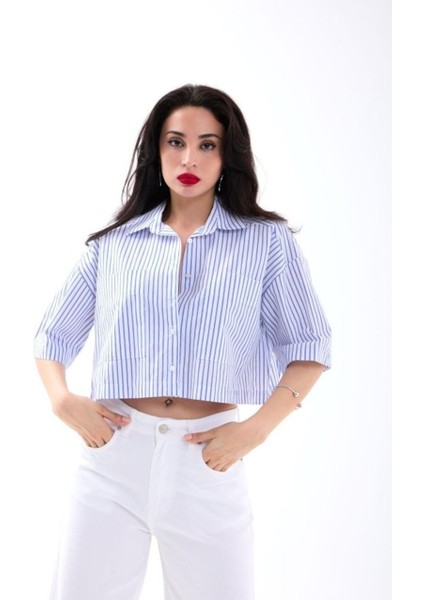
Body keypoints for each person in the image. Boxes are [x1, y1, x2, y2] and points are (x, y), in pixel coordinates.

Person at [33, 83, 332, 600]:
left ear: (227, 155)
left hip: (208, 460)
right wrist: (61, 400)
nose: (189, 158)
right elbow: (52, 334)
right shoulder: (115, 244)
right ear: (157, 150)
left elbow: (310, 346)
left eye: (207, 144)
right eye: (176, 142)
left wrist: (256, 430)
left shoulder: (266, 242)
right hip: (112, 460)